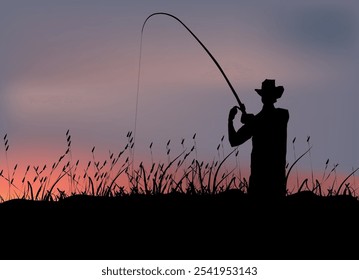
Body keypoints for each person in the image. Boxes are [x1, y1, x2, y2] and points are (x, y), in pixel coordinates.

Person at [228, 79, 289, 198]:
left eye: (268, 94)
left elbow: (266, 123)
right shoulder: (255, 121)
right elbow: (234, 141)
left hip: (274, 180)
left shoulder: (282, 114)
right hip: (259, 180)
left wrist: (248, 120)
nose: (266, 97)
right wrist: (230, 120)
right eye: (265, 94)